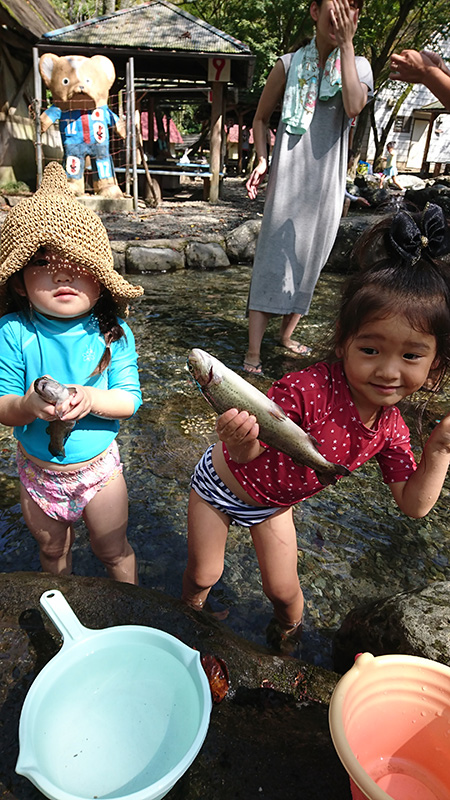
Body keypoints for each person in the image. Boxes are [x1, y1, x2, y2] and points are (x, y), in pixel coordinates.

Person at [182, 203, 450, 652]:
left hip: (273, 505)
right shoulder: (308, 388)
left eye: (410, 356)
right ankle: (187, 621)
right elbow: (253, 452)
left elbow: (413, 504)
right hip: (221, 485)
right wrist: (240, 440)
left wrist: (439, 449)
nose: (387, 370)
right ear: (344, 341)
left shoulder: (391, 428)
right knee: (204, 574)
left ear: (435, 364)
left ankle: (287, 648)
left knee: (286, 596)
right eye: (370, 349)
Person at [0, 162, 144, 584]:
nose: (62, 272)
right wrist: (28, 405)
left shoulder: (113, 333)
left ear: (101, 277)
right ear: (19, 282)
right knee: (51, 550)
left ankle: (128, 615)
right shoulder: (13, 332)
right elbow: (3, 406)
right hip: (38, 473)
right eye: (42, 261)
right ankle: (65, 621)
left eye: (76, 261)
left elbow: (128, 400)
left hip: (99, 472)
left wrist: (92, 399)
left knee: (113, 550)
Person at [243, 0, 373, 375]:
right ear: (314, 12)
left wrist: (346, 47)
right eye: (333, 11)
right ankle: (253, 351)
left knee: (310, 259)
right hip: (288, 177)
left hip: (326, 183)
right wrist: (263, 158)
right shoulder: (286, 64)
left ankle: (285, 336)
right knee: (272, 257)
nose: (340, 19)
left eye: (350, 12)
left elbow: (352, 105)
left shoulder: (360, 66)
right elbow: (260, 117)